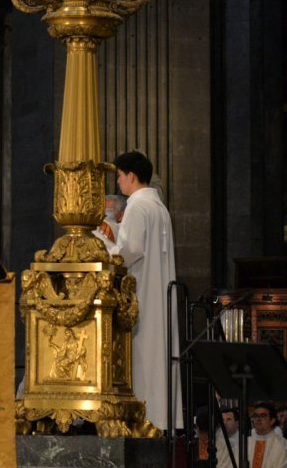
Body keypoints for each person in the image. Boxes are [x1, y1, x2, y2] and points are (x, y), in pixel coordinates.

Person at [107, 151, 181, 433]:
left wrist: (104, 243)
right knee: (156, 355)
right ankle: (160, 419)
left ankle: (143, 418)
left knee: (141, 354)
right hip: (157, 291)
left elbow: (129, 251)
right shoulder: (159, 207)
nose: (119, 183)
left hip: (141, 296)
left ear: (131, 176)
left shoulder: (137, 206)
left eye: (120, 177)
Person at [218, 402, 287, 468]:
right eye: (255, 416)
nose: (258, 419)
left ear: (272, 420)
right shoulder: (245, 441)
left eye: (263, 416)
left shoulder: (282, 444)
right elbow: (234, 464)